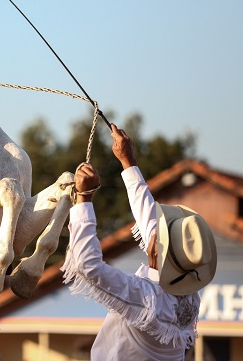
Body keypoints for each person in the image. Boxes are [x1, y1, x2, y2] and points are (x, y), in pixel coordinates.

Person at [61, 124, 217, 360]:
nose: (154, 230)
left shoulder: (146, 298)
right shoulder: (189, 295)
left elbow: (88, 265)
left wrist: (83, 199)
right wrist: (128, 161)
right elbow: (149, 220)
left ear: (156, 252)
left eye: (159, 235)